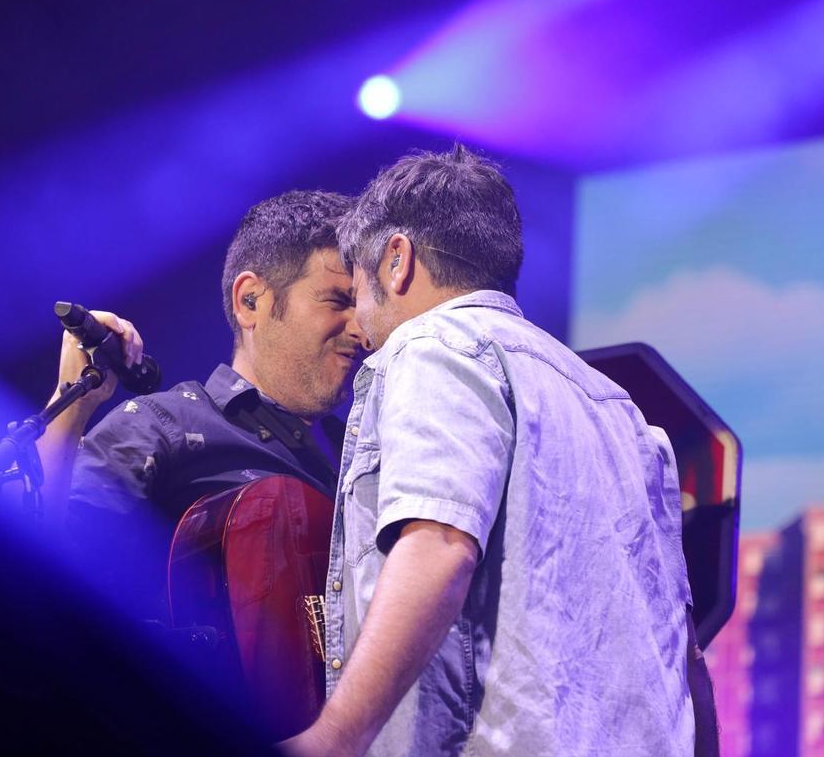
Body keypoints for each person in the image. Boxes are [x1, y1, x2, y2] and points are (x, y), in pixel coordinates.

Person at [283, 146, 711, 756]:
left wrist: (334, 738)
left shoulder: (433, 344)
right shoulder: (620, 411)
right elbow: (682, 648)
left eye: (359, 292)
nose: (360, 325)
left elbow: (439, 544)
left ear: (397, 261)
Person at [26, 190, 368, 618]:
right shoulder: (161, 426)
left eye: (364, 307)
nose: (362, 330)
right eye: (339, 301)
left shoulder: (364, 456)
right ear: (250, 301)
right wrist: (72, 403)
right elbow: (34, 559)